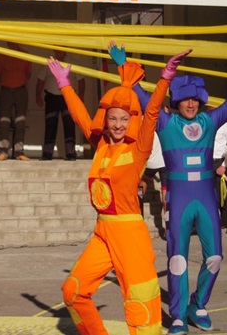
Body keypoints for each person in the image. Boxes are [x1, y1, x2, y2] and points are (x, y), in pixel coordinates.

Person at [118, 42, 227, 335]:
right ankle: (178, 314)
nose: (191, 104)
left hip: (206, 198)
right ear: (176, 101)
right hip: (179, 199)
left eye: (195, 99)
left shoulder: (210, 120)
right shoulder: (165, 122)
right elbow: (142, 97)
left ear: (201, 100)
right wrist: (123, 65)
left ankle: (198, 304)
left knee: (215, 257)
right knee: (177, 259)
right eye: (185, 99)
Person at [51, 42, 190, 335]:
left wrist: (166, 76)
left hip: (130, 236)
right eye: (112, 118)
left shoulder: (138, 148)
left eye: (124, 119)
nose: (117, 125)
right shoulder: (101, 145)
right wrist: (65, 85)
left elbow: (152, 113)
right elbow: (80, 116)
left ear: (131, 121)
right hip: (103, 232)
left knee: (141, 306)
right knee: (73, 291)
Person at [36, 50, 85, 161]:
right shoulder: (49, 63)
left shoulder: (72, 63)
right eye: (57, 50)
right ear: (54, 51)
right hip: (51, 97)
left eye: (61, 50)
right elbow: (40, 80)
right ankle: (47, 154)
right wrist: (37, 96)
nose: (59, 52)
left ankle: (71, 154)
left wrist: (81, 97)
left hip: (68, 98)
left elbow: (81, 80)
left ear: (65, 51)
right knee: (50, 125)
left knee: (69, 125)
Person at [0, 42, 32, 161]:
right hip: (6, 90)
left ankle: (19, 152)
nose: (13, 43)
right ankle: (3, 151)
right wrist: (7, 82)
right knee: (4, 121)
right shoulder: (2, 55)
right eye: (10, 42)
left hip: (21, 90)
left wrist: (18, 82)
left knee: (20, 121)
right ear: (7, 42)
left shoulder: (25, 55)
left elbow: (28, 73)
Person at [213, 120, 227, 231]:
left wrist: (224, 165)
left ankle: (220, 221)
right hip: (205, 161)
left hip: (219, 161)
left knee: (219, 194)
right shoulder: (205, 122)